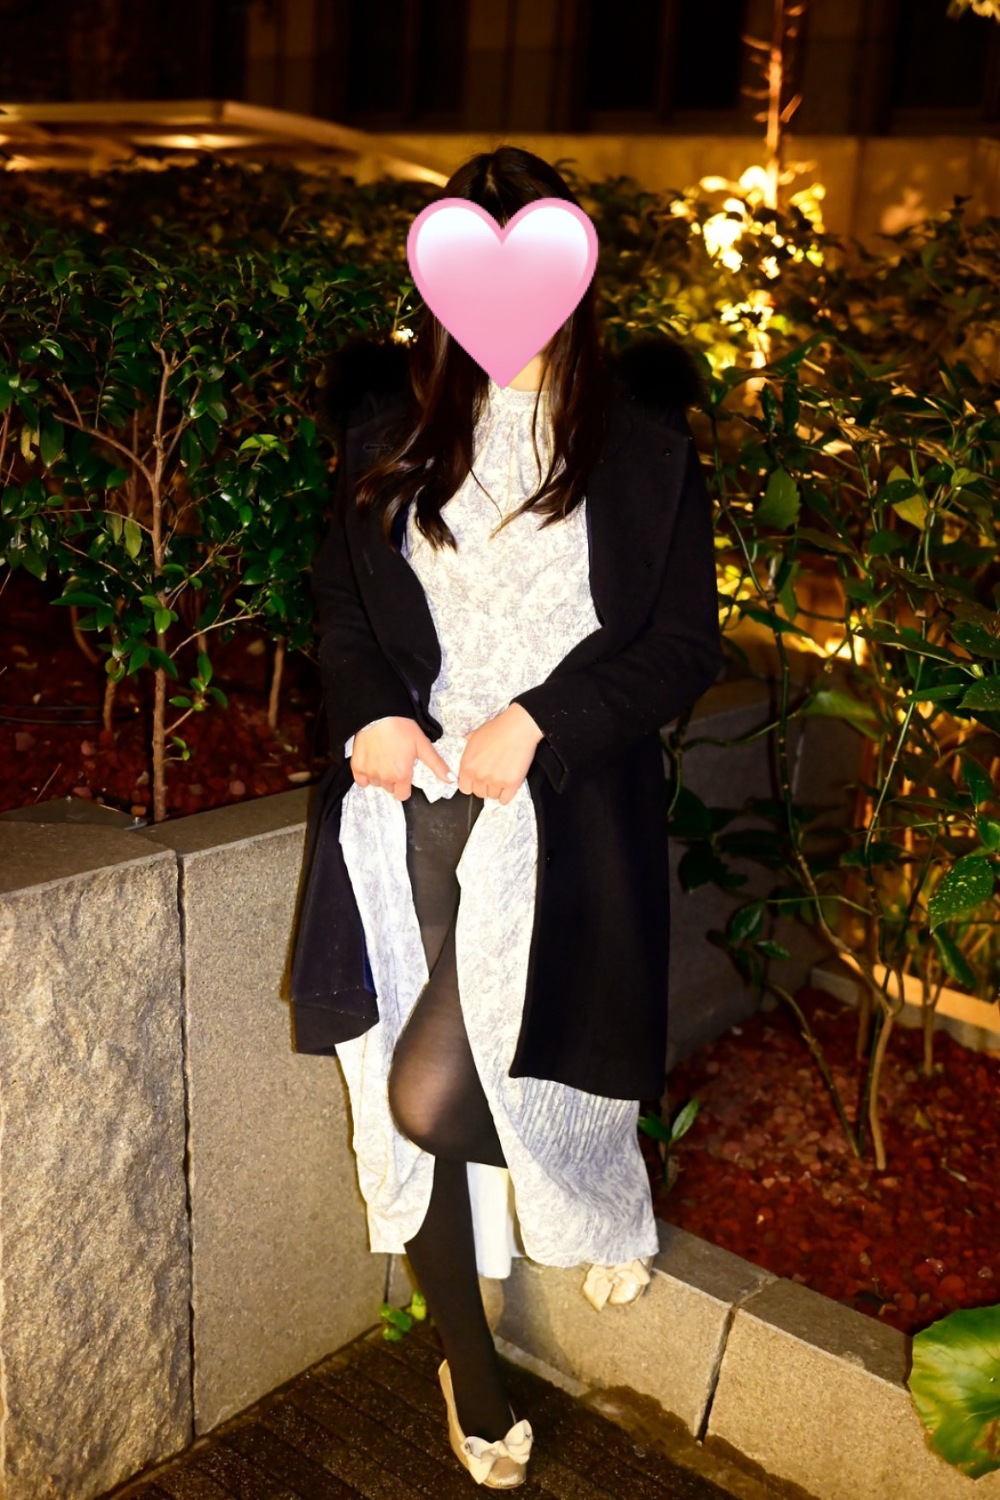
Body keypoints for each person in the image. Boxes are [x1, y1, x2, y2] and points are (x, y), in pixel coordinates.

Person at [288, 145, 723, 1490]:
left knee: (494, 1076)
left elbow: (682, 646)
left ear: (573, 280)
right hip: (411, 802)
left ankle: (597, 1190)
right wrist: (371, 709)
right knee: (411, 1085)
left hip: (566, 807)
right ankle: (471, 1375)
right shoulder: (395, 429)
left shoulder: (642, 445)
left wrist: (543, 719)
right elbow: (344, 604)